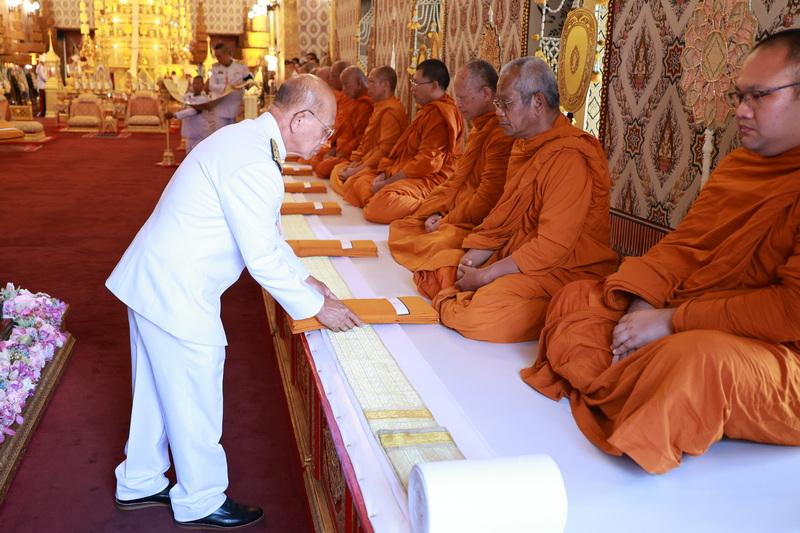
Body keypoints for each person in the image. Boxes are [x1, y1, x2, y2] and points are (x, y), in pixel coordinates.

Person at [520, 29, 800, 474]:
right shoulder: (739, 167)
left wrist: (671, 322)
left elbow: (789, 311)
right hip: (699, 312)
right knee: (574, 299)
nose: (741, 111)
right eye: (739, 96)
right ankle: (634, 380)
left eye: (759, 96)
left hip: (777, 354)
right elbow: (683, 248)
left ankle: (637, 391)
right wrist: (641, 308)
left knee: (696, 363)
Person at [107, 74, 362, 529]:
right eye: (325, 129)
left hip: (155, 279)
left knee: (157, 391)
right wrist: (316, 307)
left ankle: (140, 479)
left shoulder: (248, 140)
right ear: (299, 119)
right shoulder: (254, 160)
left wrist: (307, 280)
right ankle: (201, 499)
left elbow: (266, 235)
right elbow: (262, 257)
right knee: (195, 391)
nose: (326, 139)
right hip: (176, 289)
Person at [414, 57, 617, 343]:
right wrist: (471, 261)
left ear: (537, 103)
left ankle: (511, 301)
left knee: (477, 314)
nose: (498, 112)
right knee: (437, 269)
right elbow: (505, 219)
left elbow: (552, 247)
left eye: (505, 103)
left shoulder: (569, 157)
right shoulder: (524, 147)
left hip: (562, 269)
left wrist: (485, 276)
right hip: (517, 254)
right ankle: (478, 293)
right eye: (498, 103)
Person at [388, 59, 515, 271]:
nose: (458, 103)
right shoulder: (479, 129)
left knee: (433, 246)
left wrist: (446, 219)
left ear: (486, 94)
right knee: (405, 226)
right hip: (457, 206)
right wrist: (437, 211)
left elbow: (487, 198)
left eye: (463, 97)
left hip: (478, 219)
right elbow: (458, 179)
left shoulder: (502, 134)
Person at [343, 59, 465, 224]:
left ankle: (433, 207)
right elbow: (402, 153)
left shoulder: (441, 114)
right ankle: (386, 200)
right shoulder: (426, 111)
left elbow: (426, 163)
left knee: (378, 205)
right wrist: (384, 174)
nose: (412, 87)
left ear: (434, 85)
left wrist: (388, 182)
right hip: (409, 175)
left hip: (431, 180)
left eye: (417, 82)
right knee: (358, 183)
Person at [330, 66, 408, 196]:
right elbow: (365, 144)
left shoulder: (390, 111)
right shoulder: (379, 107)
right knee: (338, 169)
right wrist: (352, 165)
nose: (367, 86)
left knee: (353, 183)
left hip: (381, 166)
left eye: (371, 81)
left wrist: (355, 171)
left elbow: (384, 151)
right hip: (367, 162)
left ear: (385, 85)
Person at [307, 66, 374, 179]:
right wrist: (334, 150)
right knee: (316, 159)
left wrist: (341, 153)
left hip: (354, 155)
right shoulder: (355, 102)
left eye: (346, 84)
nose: (343, 88)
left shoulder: (365, 105)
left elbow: (361, 140)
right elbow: (342, 130)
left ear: (358, 83)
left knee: (323, 167)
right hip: (342, 149)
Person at [208, 43, 253, 131]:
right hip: (221, 108)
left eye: (219, 56)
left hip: (236, 108)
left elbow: (250, 81)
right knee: (221, 134)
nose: (217, 59)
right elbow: (211, 86)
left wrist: (245, 84)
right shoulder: (215, 68)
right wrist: (227, 88)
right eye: (216, 57)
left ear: (226, 54)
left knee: (235, 133)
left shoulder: (240, 66)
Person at [164, 75, 213, 154]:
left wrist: (174, 115)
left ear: (203, 85)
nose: (195, 85)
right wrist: (168, 95)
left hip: (200, 132)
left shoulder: (204, 98)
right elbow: (179, 98)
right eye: (194, 83)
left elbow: (193, 111)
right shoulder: (189, 95)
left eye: (198, 83)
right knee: (188, 154)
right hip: (190, 133)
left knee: (199, 154)